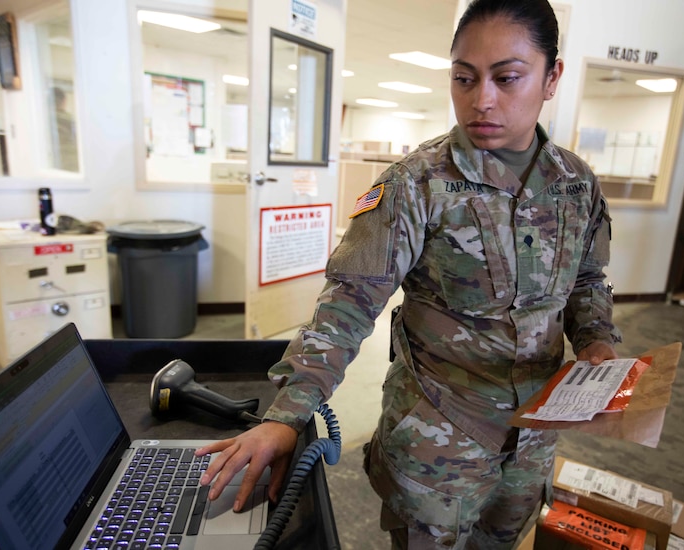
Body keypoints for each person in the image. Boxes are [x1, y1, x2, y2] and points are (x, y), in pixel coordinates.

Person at [196, 0, 622, 547]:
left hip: (533, 440)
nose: (481, 100)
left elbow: (587, 280)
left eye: (507, 78)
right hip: (438, 444)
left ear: (551, 77)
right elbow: (346, 307)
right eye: (464, 79)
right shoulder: (415, 184)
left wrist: (597, 343)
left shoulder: (575, 184)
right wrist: (288, 413)